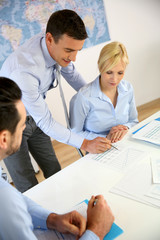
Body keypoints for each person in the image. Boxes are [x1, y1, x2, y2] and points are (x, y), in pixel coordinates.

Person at [0, 9, 111, 192]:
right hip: (9, 124)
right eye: (69, 50)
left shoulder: (52, 45)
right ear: (50, 39)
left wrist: (96, 100)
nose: (73, 58)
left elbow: (72, 74)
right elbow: (47, 122)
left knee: (54, 169)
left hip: (34, 116)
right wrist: (85, 143)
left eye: (77, 51)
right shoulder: (25, 70)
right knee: (27, 184)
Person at [0, 77, 114, 239]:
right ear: (4, 139)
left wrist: (51, 219)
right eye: (21, 125)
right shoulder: (5, 200)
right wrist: (96, 231)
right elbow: (9, 203)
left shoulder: (7, 198)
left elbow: (15, 200)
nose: (26, 127)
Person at [70, 41, 138, 143]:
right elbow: (75, 133)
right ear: (100, 67)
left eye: (120, 73)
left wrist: (125, 129)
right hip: (98, 149)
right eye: (109, 72)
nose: (115, 79)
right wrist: (106, 138)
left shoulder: (128, 88)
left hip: (126, 142)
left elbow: (134, 121)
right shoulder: (83, 97)